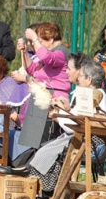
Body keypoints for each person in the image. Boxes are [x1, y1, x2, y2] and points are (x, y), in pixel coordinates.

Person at [29, 60, 106, 199]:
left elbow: (74, 126)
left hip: (89, 142)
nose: (77, 80)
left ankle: (51, 196)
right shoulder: (97, 94)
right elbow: (78, 118)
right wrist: (66, 109)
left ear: (89, 79)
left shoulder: (94, 97)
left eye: (80, 77)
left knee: (48, 153)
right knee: (45, 150)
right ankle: (48, 195)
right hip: (84, 137)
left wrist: (59, 113)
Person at [16, 22, 71, 150]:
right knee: (32, 139)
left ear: (51, 39)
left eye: (40, 41)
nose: (37, 45)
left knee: (45, 139)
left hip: (54, 99)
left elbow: (48, 59)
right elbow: (31, 69)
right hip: (41, 97)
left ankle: (44, 167)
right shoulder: (48, 53)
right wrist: (24, 52)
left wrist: (34, 38)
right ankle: (29, 164)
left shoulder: (60, 52)